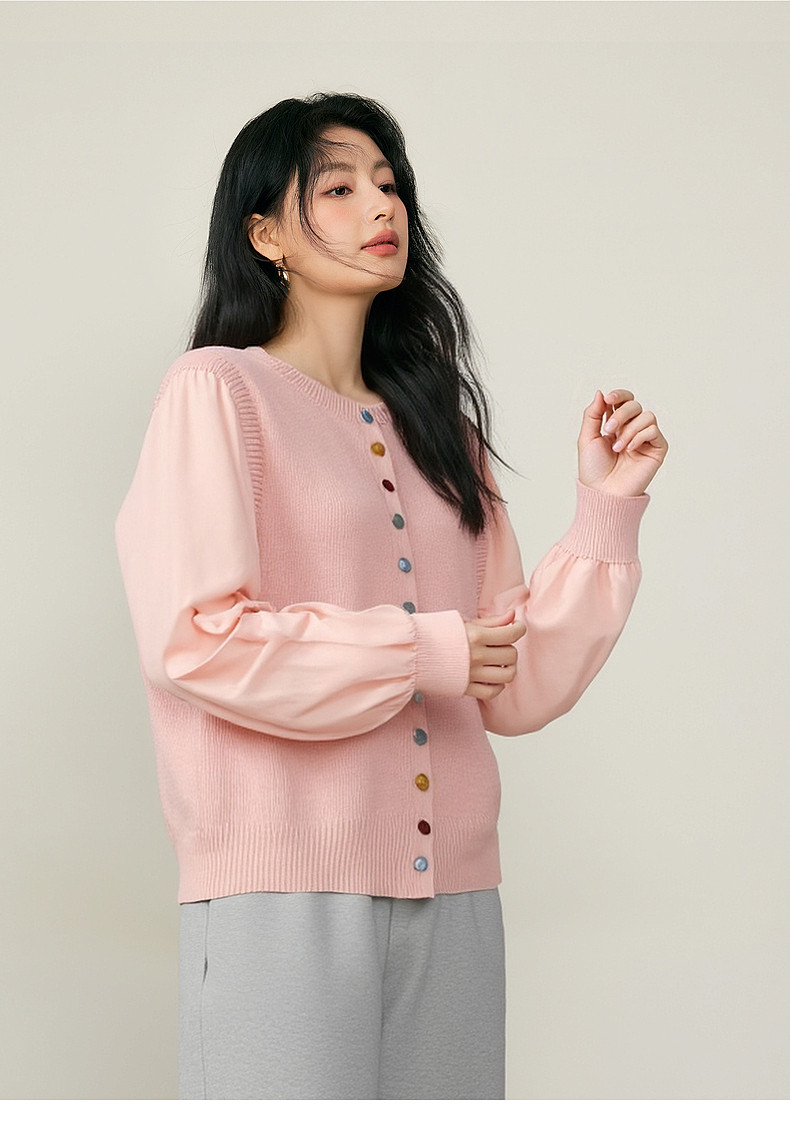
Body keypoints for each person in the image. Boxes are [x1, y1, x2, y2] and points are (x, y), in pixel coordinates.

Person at [115, 92, 668, 1100]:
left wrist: (605, 512)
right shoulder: (218, 391)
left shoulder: (441, 429)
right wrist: (420, 650)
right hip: (280, 893)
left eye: (389, 183)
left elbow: (507, 678)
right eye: (338, 187)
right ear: (266, 234)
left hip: (455, 894)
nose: (382, 205)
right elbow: (196, 637)